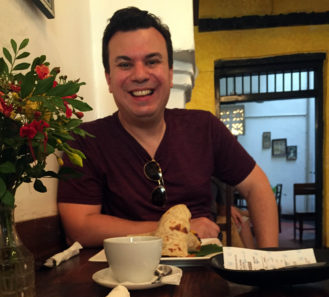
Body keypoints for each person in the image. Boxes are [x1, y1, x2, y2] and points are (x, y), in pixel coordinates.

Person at [57, 7, 278, 248]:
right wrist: (174, 228)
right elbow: (79, 227)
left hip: (203, 273)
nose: (140, 75)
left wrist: (269, 263)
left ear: (170, 74)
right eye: (125, 64)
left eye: (152, 61)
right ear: (109, 79)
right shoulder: (85, 140)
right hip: (122, 278)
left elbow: (257, 186)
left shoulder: (204, 127)